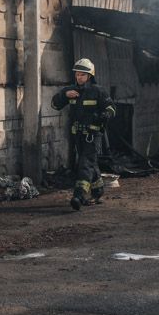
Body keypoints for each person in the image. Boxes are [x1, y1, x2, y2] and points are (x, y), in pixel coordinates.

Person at [51, 57, 116, 211]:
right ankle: (98, 190)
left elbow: (112, 108)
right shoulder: (71, 91)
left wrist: (105, 115)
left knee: (85, 164)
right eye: (77, 74)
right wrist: (65, 95)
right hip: (77, 136)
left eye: (82, 74)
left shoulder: (98, 91)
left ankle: (79, 195)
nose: (79, 77)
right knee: (90, 163)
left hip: (93, 135)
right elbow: (54, 104)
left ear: (89, 76)